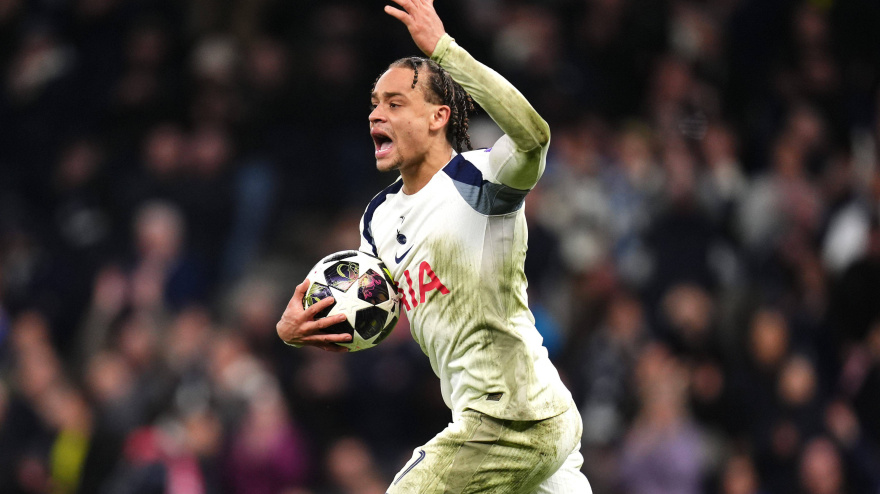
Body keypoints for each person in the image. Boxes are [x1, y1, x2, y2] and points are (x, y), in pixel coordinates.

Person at [276, 1, 591, 492]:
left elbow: (534, 137)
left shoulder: (484, 177)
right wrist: (300, 328)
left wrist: (445, 51)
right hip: (508, 424)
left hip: (515, 415)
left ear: (438, 117)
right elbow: (373, 315)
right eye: (375, 103)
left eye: (395, 103)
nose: (377, 114)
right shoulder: (378, 219)